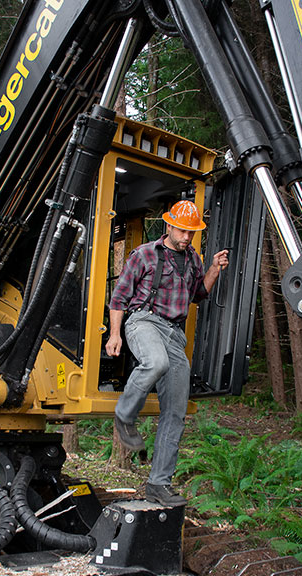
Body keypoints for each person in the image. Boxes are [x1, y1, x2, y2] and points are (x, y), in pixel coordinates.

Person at [105, 199, 230, 506]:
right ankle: (124, 414)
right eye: (183, 231)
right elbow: (119, 297)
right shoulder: (144, 254)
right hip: (143, 321)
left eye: (192, 232)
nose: (187, 237)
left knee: (175, 411)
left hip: (174, 332)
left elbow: (199, 294)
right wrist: (114, 333)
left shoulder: (193, 259)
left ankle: (159, 484)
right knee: (155, 362)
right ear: (169, 226)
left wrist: (213, 268)